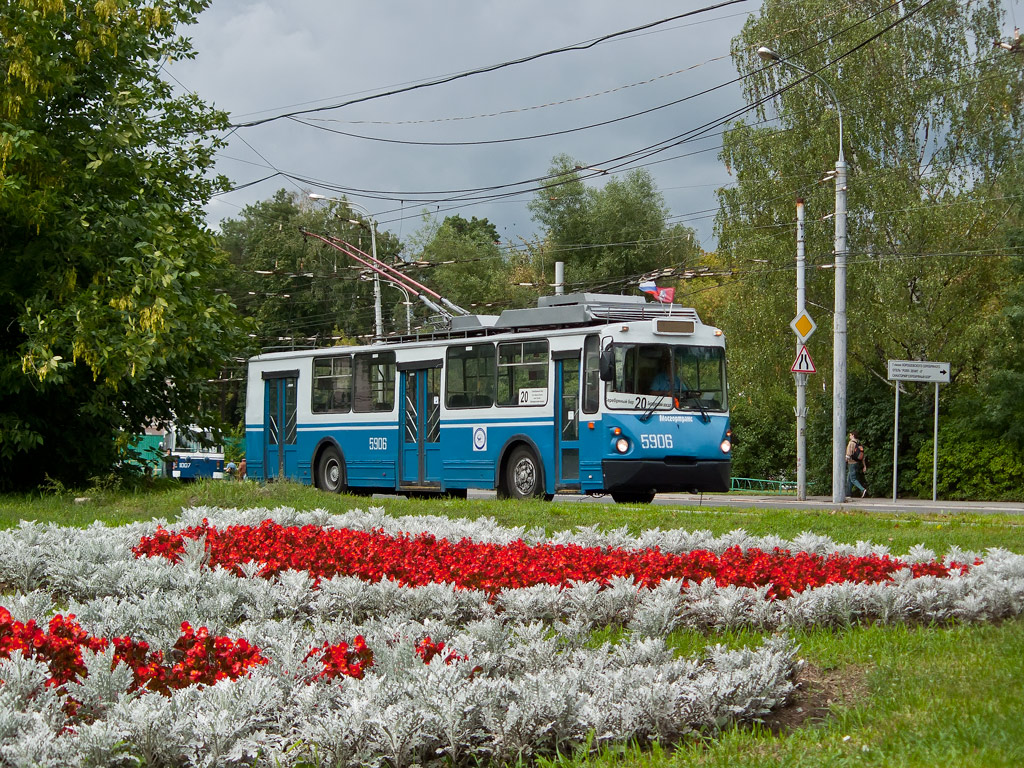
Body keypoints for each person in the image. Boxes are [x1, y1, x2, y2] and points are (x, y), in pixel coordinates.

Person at [845, 431, 867, 498]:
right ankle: (848, 494)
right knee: (849, 479)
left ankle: (862, 489)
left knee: (853, 479)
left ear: (853, 435)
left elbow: (848, 454)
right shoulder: (859, 443)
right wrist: (864, 466)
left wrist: (845, 461)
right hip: (857, 463)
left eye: (850, 435)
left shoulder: (851, 443)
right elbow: (862, 456)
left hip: (851, 463)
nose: (849, 436)